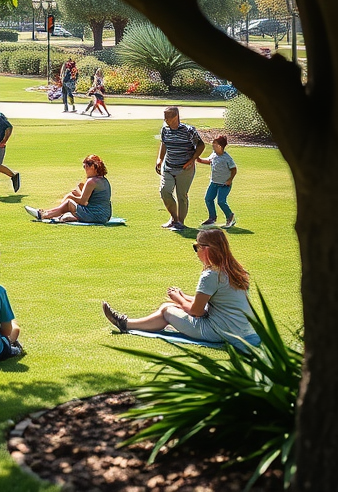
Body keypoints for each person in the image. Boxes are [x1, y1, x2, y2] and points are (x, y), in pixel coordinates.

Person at [101, 229, 255, 345]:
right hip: (241, 330)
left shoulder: (211, 275)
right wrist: (181, 297)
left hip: (220, 332)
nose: (196, 252)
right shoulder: (235, 270)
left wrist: (179, 299)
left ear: (206, 249)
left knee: (167, 310)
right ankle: (125, 323)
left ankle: (125, 324)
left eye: (196, 247)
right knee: (168, 306)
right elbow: (214, 301)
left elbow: (197, 311)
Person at [155, 106, 205, 230]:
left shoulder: (188, 130)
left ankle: (180, 222)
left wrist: (192, 160)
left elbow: (201, 145)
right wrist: (160, 159)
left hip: (185, 169)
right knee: (165, 191)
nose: (166, 119)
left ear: (176, 116)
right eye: (164, 116)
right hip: (169, 167)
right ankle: (174, 218)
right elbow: (164, 143)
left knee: (181, 195)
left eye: (168, 117)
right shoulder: (165, 130)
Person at [24, 154, 112, 223]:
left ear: (92, 167)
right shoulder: (103, 180)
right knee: (72, 195)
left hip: (96, 215)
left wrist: (70, 197)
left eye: (85, 167)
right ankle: (53, 214)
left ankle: (44, 214)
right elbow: (91, 199)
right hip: (104, 215)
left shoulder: (91, 181)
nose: (84, 169)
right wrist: (76, 191)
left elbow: (83, 202)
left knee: (69, 203)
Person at [197, 134, 237, 228]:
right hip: (214, 183)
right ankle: (212, 218)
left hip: (224, 184)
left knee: (221, 201)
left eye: (214, 144)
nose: (212, 145)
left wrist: (230, 180)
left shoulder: (227, 158)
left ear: (219, 146)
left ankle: (230, 217)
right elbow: (209, 161)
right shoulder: (214, 154)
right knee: (208, 199)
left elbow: (234, 169)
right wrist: (199, 160)